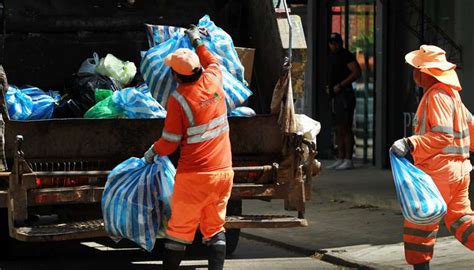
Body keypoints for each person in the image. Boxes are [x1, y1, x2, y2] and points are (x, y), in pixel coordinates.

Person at [143, 25, 233, 270]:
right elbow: (212, 59)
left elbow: (170, 142)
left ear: (176, 76)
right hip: (223, 172)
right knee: (215, 227)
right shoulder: (214, 77)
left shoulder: (179, 100)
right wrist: (196, 41)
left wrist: (151, 153)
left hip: (194, 176)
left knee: (179, 231)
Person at [391, 45, 474, 270]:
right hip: (459, 172)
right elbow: (470, 128)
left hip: (440, 173)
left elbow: (442, 136)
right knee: (462, 221)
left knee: (420, 224)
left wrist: (409, 143)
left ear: (425, 72)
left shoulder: (436, 96)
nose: (413, 73)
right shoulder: (452, 95)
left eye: (415, 69)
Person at [326, 32, 361, 170]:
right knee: (337, 128)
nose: (333, 45)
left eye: (336, 43)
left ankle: (348, 158)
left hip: (345, 95)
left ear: (340, 43)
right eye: (331, 43)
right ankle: (340, 157)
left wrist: (340, 85)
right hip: (334, 96)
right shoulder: (331, 57)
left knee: (346, 127)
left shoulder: (346, 55)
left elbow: (356, 72)